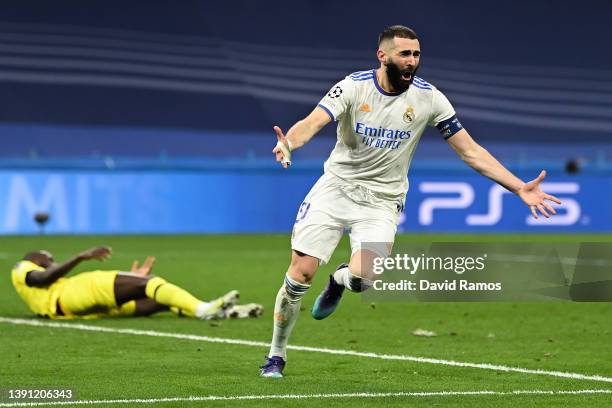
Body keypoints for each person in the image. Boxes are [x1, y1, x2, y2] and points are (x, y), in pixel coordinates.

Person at [260, 25, 562, 378]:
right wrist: (289, 144)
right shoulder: (352, 87)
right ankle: (276, 355)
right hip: (335, 190)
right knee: (301, 274)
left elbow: (470, 151)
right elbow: (312, 122)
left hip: (382, 201)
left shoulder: (429, 98)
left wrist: (518, 187)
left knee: (364, 278)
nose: (412, 61)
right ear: (383, 56)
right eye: (405, 54)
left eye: (416, 54)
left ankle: (339, 282)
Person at [11, 246, 263, 320]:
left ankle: (226, 312)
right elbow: (43, 277)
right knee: (149, 282)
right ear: (36, 257)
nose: (52, 262)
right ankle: (203, 309)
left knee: (157, 301)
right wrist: (80, 257)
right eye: (48, 258)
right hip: (71, 295)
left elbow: (48, 278)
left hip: (72, 309)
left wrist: (130, 283)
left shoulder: (46, 286)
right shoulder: (23, 267)